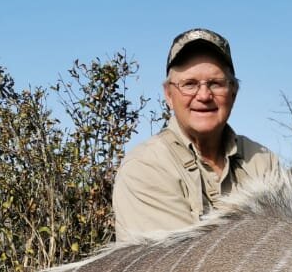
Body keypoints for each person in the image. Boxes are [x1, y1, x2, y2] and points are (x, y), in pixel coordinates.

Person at [112, 28, 280, 239]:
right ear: (169, 95)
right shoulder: (145, 167)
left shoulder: (263, 162)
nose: (204, 95)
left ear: (233, 93)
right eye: (189, 84)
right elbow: (181, 266)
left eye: (215, 84)